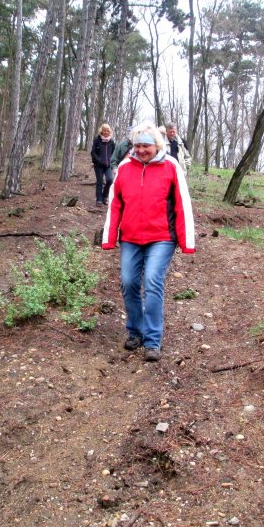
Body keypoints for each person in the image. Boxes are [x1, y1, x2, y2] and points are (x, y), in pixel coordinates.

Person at [101, 121, 196, 362]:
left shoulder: (171, 166)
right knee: (129, 282)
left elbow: (183, 204)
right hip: (131, 236)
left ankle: (152, 340)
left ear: (157, 145)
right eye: (138, 145)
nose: (142, 150)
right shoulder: (124, 167)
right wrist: (109, 238)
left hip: (162, 237)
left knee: (153, 281)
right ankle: (135, 331)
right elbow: (115, 205)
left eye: (147, 146)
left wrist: (186, 241)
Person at [91, 123, 116, 206]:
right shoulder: (97, 140)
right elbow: (93, 152)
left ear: (109, 132)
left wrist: (112, 161)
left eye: (107, 131)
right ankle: (99, 199)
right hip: (99, 165)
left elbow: (114, 153)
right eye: (104, 130)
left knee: (110, 180)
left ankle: (105, 196)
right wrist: (98, 160)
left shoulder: (111, 142)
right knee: (100, 181)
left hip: (108, 165)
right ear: (101, 131)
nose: (106, 132)